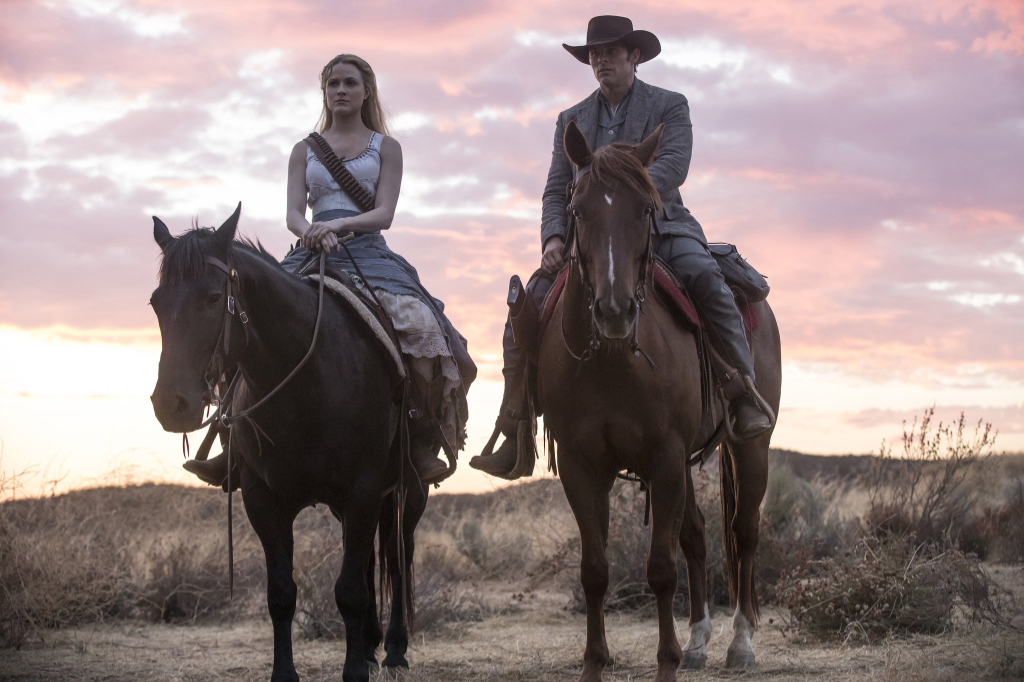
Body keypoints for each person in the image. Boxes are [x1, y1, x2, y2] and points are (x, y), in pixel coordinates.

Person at [470, 16, 771, 479]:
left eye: (610, 51)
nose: (600, 59)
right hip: (587, 238)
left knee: (707, 279)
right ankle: (516, 424)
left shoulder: (671, 106)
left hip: (659, 225)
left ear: (634, 56)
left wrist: (624, 191)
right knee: (525, 307)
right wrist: (554, 236)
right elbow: (555, 188)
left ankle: (743, 391)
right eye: (593, 53)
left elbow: (673, 167)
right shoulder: (570, 120)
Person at [185, 53, 475, 488]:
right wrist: (311, 232)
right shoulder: (304, 149)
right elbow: (292, 215)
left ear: (366, 91)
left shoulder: (387, 147)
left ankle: (419, 437)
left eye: (350, 83)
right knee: (254, 318)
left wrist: (337, 225)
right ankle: (231, 437)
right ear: (324, 92)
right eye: (333, 83)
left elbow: (384, 214)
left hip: (369, 252)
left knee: (422, 325)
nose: (341, 90)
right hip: (310, 252)